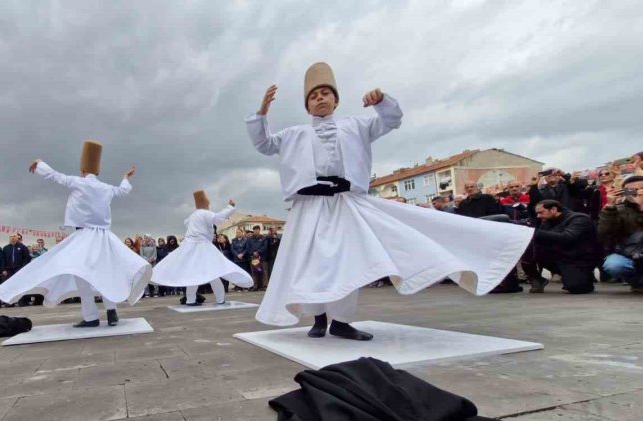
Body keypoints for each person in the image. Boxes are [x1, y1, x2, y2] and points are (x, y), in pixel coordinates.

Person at [245, 61, 533, 340]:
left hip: (347, 203)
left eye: (326, 94)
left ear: (336, 100)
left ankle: (342, 322)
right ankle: (319, 319)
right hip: (310, 208)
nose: (320, 99)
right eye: (314, 96)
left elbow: (391, 120)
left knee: (348, 261)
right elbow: (264, 144)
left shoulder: (357, 125)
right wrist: (261, 114)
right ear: (307, 105)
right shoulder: (293, 134)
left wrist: (381, 100)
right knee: (314, 263)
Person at [0, 140, 152, 327]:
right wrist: (126, 177)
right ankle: (112, 312)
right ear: (98, 171)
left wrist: (39, 163)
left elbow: (54, 176)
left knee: (81, 276)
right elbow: (123, 191)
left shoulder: (78, 182)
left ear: (83, 170)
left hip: (84, 236)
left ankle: (91, 317)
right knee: (106, 273)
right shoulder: (107, 188)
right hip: (104, 237)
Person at [152, 191, 253, 306]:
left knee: (193, 274)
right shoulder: (205, 213)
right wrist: (230, 207)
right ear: (206, 203)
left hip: (190, 247)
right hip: (203, 247)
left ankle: (190, 300)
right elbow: (218, 218)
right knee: (214, 273)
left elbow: (186, 223)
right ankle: (220, 299)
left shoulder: (192, 216)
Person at [521, 200, 598, 294]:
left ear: (553, 209)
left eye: (541, 212)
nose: (538, 216)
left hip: (578, 260)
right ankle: (536, 278)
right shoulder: (547, 220)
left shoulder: (579, 219)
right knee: (526, 246)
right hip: (558, 256)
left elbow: (567, 237)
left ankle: (583, 276)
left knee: (577, 287)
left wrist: (533, 232)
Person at [598, 175, 643, 292]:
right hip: (630, 252)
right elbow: (604, 233)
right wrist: (609, 207)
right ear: (625, 192)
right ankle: (636, 283)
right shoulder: (617, 209)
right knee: (613, 265)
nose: (638, 192)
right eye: (632, 190)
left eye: (641, 188)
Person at [1, 234, 31, 307]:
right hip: (9, 270)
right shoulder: (6, 248)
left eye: (14, 236)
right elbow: (3, 260)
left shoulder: (22, 247)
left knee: (20, 286)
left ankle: (22, 302)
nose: (12, 238)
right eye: (11, 237)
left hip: (19, 269)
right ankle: (10, 302)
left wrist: (23, 268)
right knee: (10, 286)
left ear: (17, 238)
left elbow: (26, 258)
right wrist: (3, 269)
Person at [246, 225, 269, 290]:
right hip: (254, 258)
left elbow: (265, 246)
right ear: (253, 231)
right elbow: (248, 248)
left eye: (257, 229)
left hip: (262, 257)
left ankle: (264, 286)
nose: (256, 231)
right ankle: (255, 286)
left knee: (264, 272)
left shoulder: (264, 238)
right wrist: (253, 252)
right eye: (255, 230)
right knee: (254, 272)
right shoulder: (249, 239)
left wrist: (258, 252)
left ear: (259, 230)